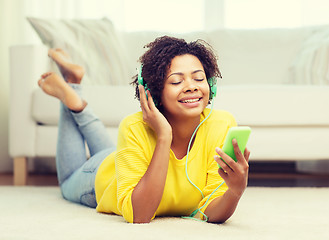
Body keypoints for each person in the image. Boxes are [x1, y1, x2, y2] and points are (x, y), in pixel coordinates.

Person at [38, 36, 250, 224]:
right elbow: (140, 215)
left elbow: (211, 211)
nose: (192, 86)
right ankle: (72, 94)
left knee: (114, 149)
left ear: (210, 84)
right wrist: (164, 136)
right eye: (176, 81)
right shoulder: (134, 126)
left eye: (199, 78)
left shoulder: (222, 124)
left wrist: (234, 191)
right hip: (102, 175)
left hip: (125, 157)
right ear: (153, 92)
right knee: (67, 185)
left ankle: (74, 87)